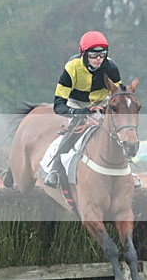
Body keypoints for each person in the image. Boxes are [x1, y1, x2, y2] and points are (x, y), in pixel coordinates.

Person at [44, 31, 122, 188]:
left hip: (102, 101)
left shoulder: (112, 68)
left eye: (102, 55)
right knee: (75, 128)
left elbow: (118, 97)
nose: (99, 59)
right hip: (76, 102)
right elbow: (58, 105)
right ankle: (55, 169)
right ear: (84, 55)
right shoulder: (71, 68)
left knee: (116, 128)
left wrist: (106, 108)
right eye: (94, 55)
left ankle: (126, 170)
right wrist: (79, 113)